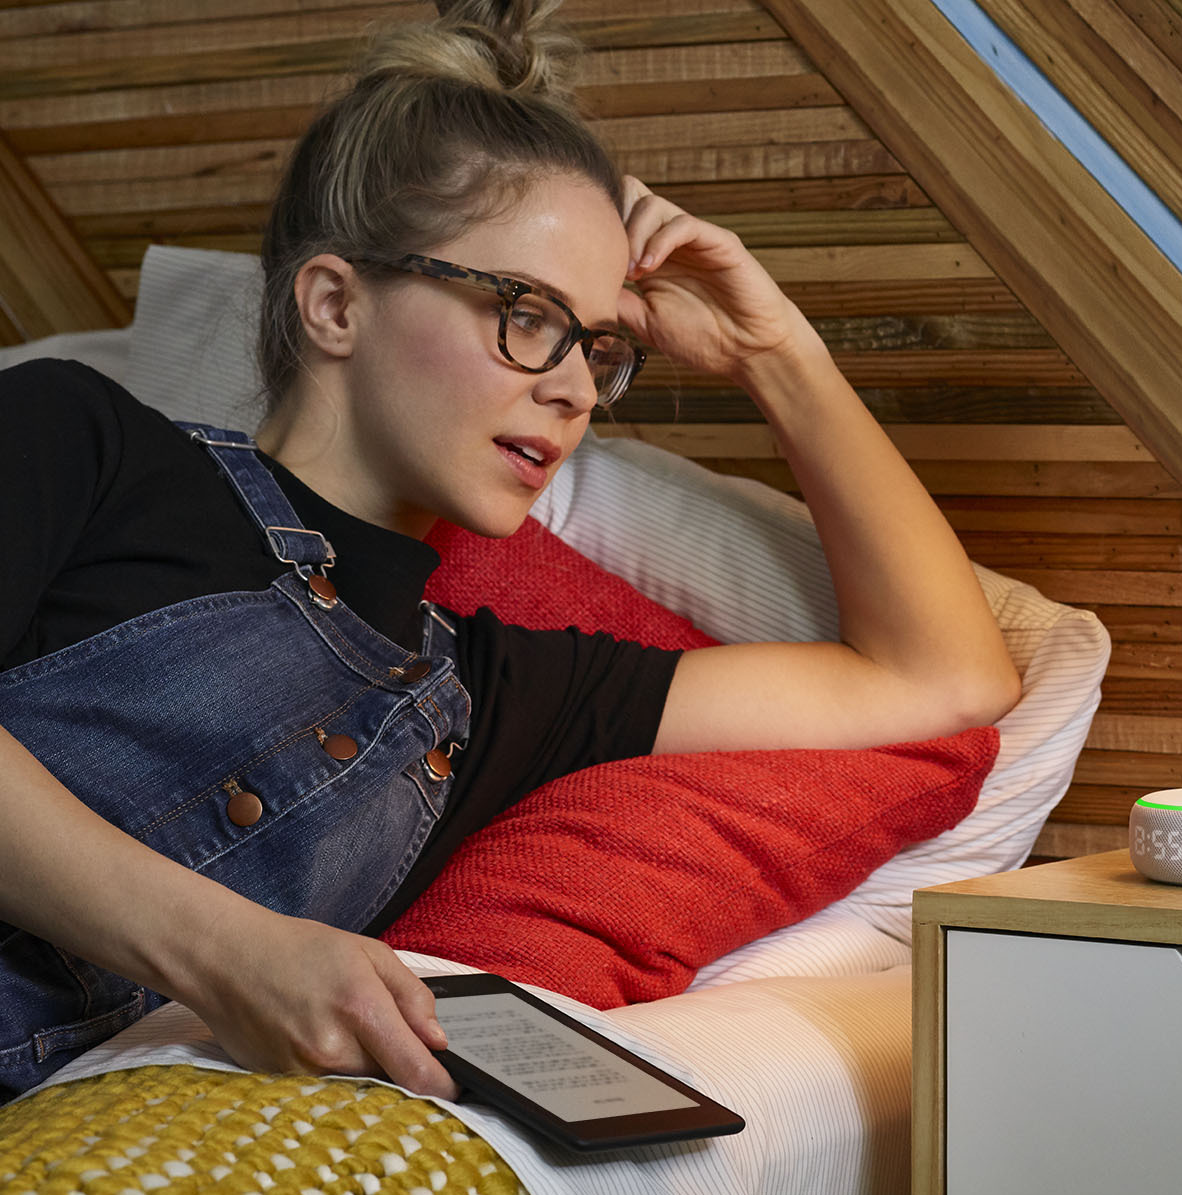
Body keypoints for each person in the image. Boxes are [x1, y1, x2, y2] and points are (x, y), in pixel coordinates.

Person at [0, 0, 1018, 1104]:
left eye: (601, 345)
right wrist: (232, 953)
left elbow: (945, 680)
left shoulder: (494, 698)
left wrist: (777, 354)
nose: (575, 386)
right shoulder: (80, 439)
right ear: (336, 303)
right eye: (526, 313)